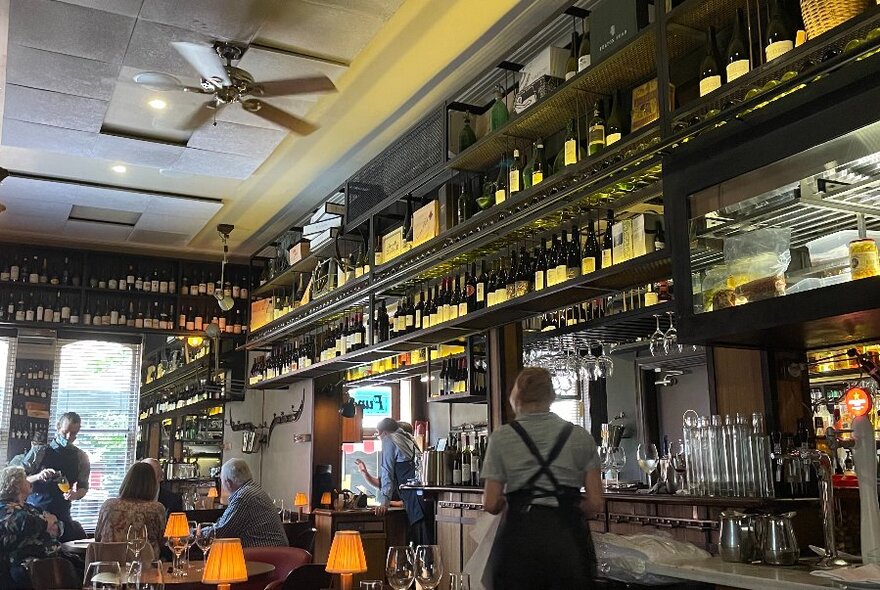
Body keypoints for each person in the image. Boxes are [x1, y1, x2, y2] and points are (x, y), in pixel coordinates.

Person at [482, 367, 602, 590]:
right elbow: (595, 502)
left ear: (516, 396)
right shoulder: (580, 436)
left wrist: (511, 501)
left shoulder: (501, 438)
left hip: (519, 541)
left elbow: (490, 504)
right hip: (567, 541)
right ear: (552, 397)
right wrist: (566, 505)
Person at [22, 412, 90, 542]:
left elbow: (84, 487)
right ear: (58, 427)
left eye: (74, 433)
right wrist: (38, 476)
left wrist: (75, 495)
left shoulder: (81, 457)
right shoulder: (39, 452)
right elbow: (20, 480)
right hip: (35, 513)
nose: (69, 437)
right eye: (66, 432)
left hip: (62, 515)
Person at [0, 466, 62, 589]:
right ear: (16, 484)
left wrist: (50, 524)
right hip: (22, 564)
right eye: (24, 479)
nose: (28, 481)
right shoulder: (4, 508)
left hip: (50, 558)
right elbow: (28, 524)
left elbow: (58, 526)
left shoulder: (31, 508)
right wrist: (46, 524)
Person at [202, 459, 286, 547]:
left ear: (228, 483)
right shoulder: (253, 490)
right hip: (275, 551)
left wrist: (196, 533)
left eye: (221, 481)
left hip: (265, 554)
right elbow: (225, 524)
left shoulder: (243, 497)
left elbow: (221, 533)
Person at [374, 418, 428, 545]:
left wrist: (384, 503)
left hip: (412, 497)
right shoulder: (409, 438)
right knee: (426, 541)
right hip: (421, 494)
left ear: (384, 432)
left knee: (419, 542)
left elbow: (387, 471)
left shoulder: (389, 440)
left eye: (378, 434)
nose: (379, 438)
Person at [94, 463, 166, 558]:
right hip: (145, 567)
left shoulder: (108, 506)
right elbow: (163, 541)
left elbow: (98, 537)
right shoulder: (156, 509)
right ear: (152, 485)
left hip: (109, 567)